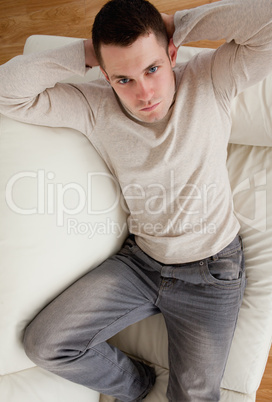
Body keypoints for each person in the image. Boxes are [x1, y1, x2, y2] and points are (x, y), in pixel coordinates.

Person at [0, 0, 271, 400]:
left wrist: (177, 23)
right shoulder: (95, 106)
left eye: (152, 69)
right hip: (141, 265)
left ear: (172, 54)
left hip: (211, 273)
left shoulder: (211, 77)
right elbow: (7, 93)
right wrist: (88, 53)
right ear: (106, 76)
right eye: (124, 78)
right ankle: (137, 384)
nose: (144, 92)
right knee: (45, 344)